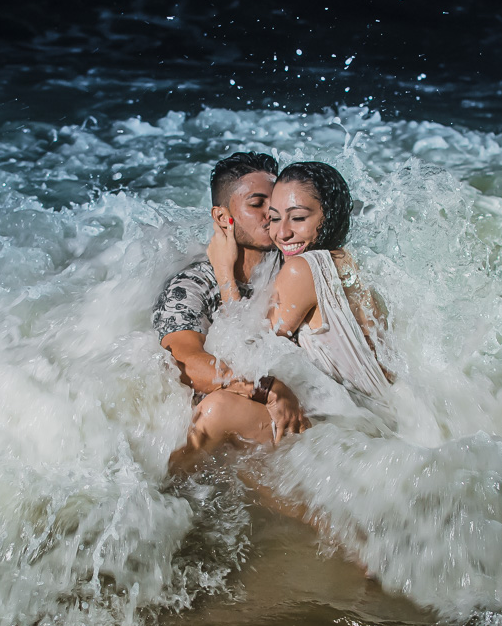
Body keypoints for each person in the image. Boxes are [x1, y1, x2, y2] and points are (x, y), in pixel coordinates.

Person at [187, 160, 391, 451]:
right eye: (274, 217)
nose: (281, 233)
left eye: (297, 218)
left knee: (217, 408)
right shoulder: (347, 261)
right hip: (382, 425)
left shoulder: (301, 269)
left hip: (355, 439)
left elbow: (247, 355)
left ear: (328, 215)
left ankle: (163, 489)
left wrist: (224, 274)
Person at [153, 152, 309, 469]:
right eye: (257, 203)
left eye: (277, 201)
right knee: (218, 408)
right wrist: (265, 387)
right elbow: (185, 363)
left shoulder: (297, 269)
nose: (273, 212)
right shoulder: (192, 285)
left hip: (305, 416)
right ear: (224, 218)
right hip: (240, 425)